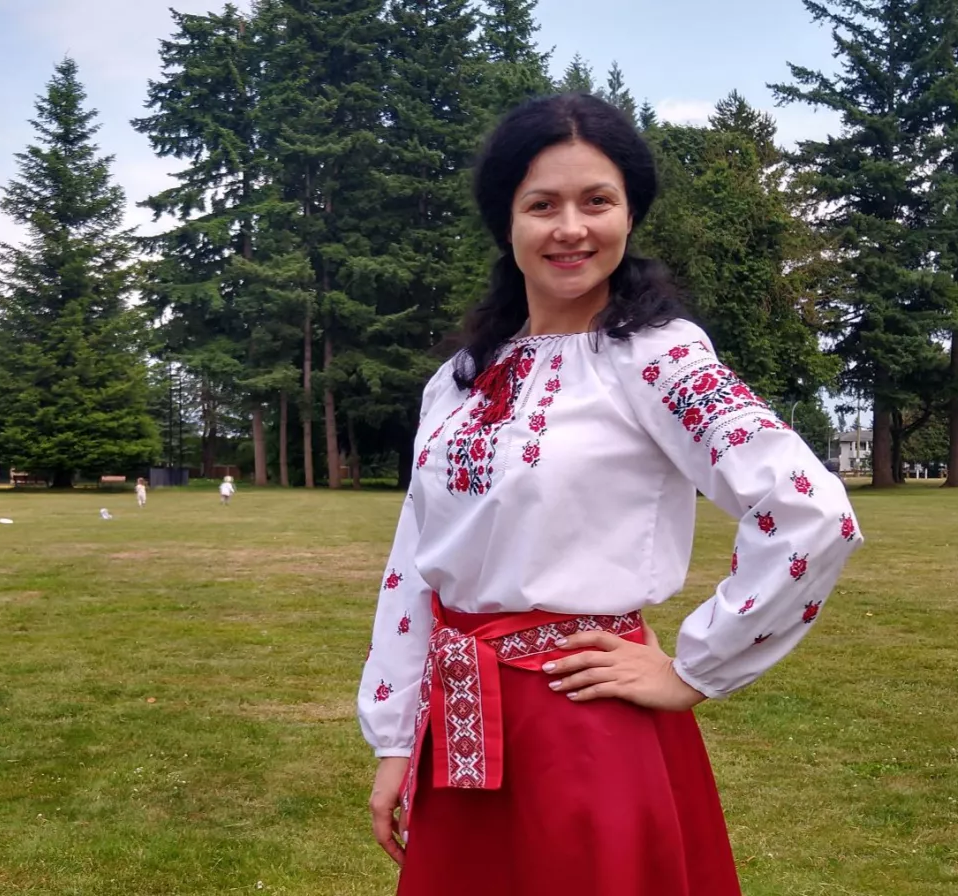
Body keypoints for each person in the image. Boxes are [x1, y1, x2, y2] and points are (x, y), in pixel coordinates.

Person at [357, 94, 864, 896]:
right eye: (542, 204)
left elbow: (811, 512)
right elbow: (415, 563)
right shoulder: (455, 384)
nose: (570, 228)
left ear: (630, 215)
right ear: (507, 221)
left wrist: (693, 669)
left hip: (586, 727)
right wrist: (394, 740)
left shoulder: (659, 359)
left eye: (597, 201)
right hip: (458, 734)